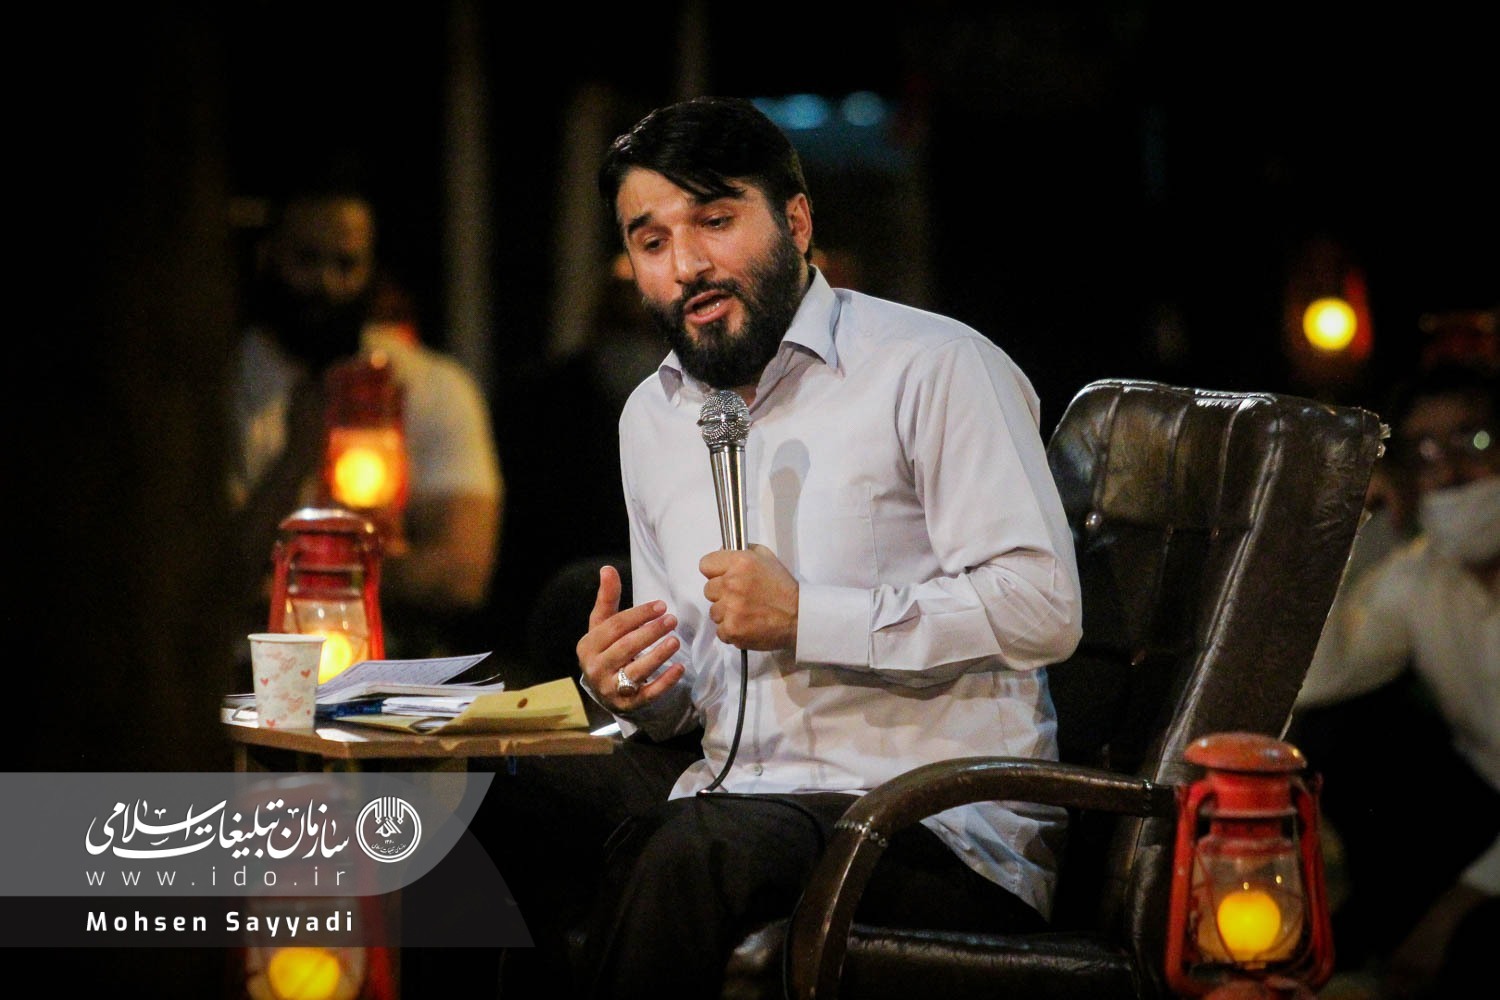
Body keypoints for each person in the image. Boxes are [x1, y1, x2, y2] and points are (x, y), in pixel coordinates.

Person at [483, 95, 1082, 1000]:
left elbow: (1046, 607)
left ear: (796, 222)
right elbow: (696, 701)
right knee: (468, 798)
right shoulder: (653, 416)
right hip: (733, 791)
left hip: (928, 826)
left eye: (716, 221)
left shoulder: (933, 366)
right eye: (652, 241)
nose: (687, 264)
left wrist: (810, 617)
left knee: (693, 851)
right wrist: (638, 688)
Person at [227, 174, 505, 668]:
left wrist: (296, 575)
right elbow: (215, 577)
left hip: (395, 672)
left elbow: (460, 577)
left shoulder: (435, 386)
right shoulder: (215, 389)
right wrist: (297, 457)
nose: (326, 284)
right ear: (268, 257)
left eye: (346, 264)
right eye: (306, 260)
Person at [1292, 356, 1498, 999]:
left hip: (1487, 875)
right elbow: (1316, 682)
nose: (1451, 472)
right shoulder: (1420, 577)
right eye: (1425, 453)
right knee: (1342, 729)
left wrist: (1451, 911)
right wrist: (1344, 519)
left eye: (1474, 442)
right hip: (1487, 828)